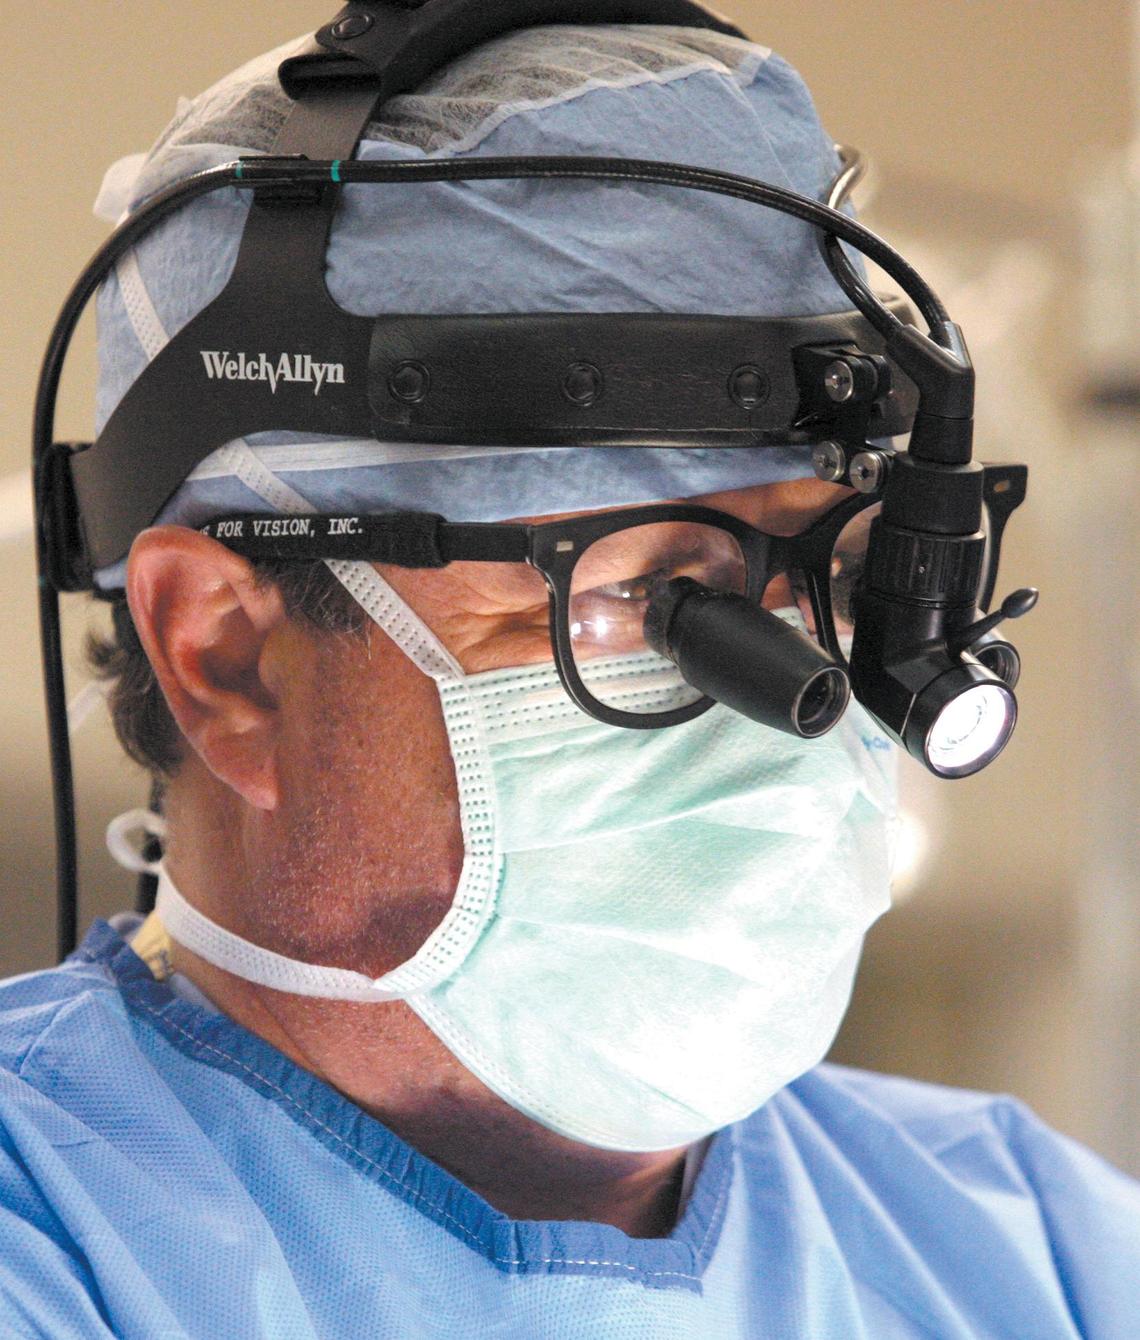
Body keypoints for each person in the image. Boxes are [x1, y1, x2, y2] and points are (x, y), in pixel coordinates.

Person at [4, 13, 1139, 1338]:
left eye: (835, 574)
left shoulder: (1040, 1257)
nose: (797, 708)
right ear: (230, 657)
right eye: (652, 594)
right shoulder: (52, 1246)